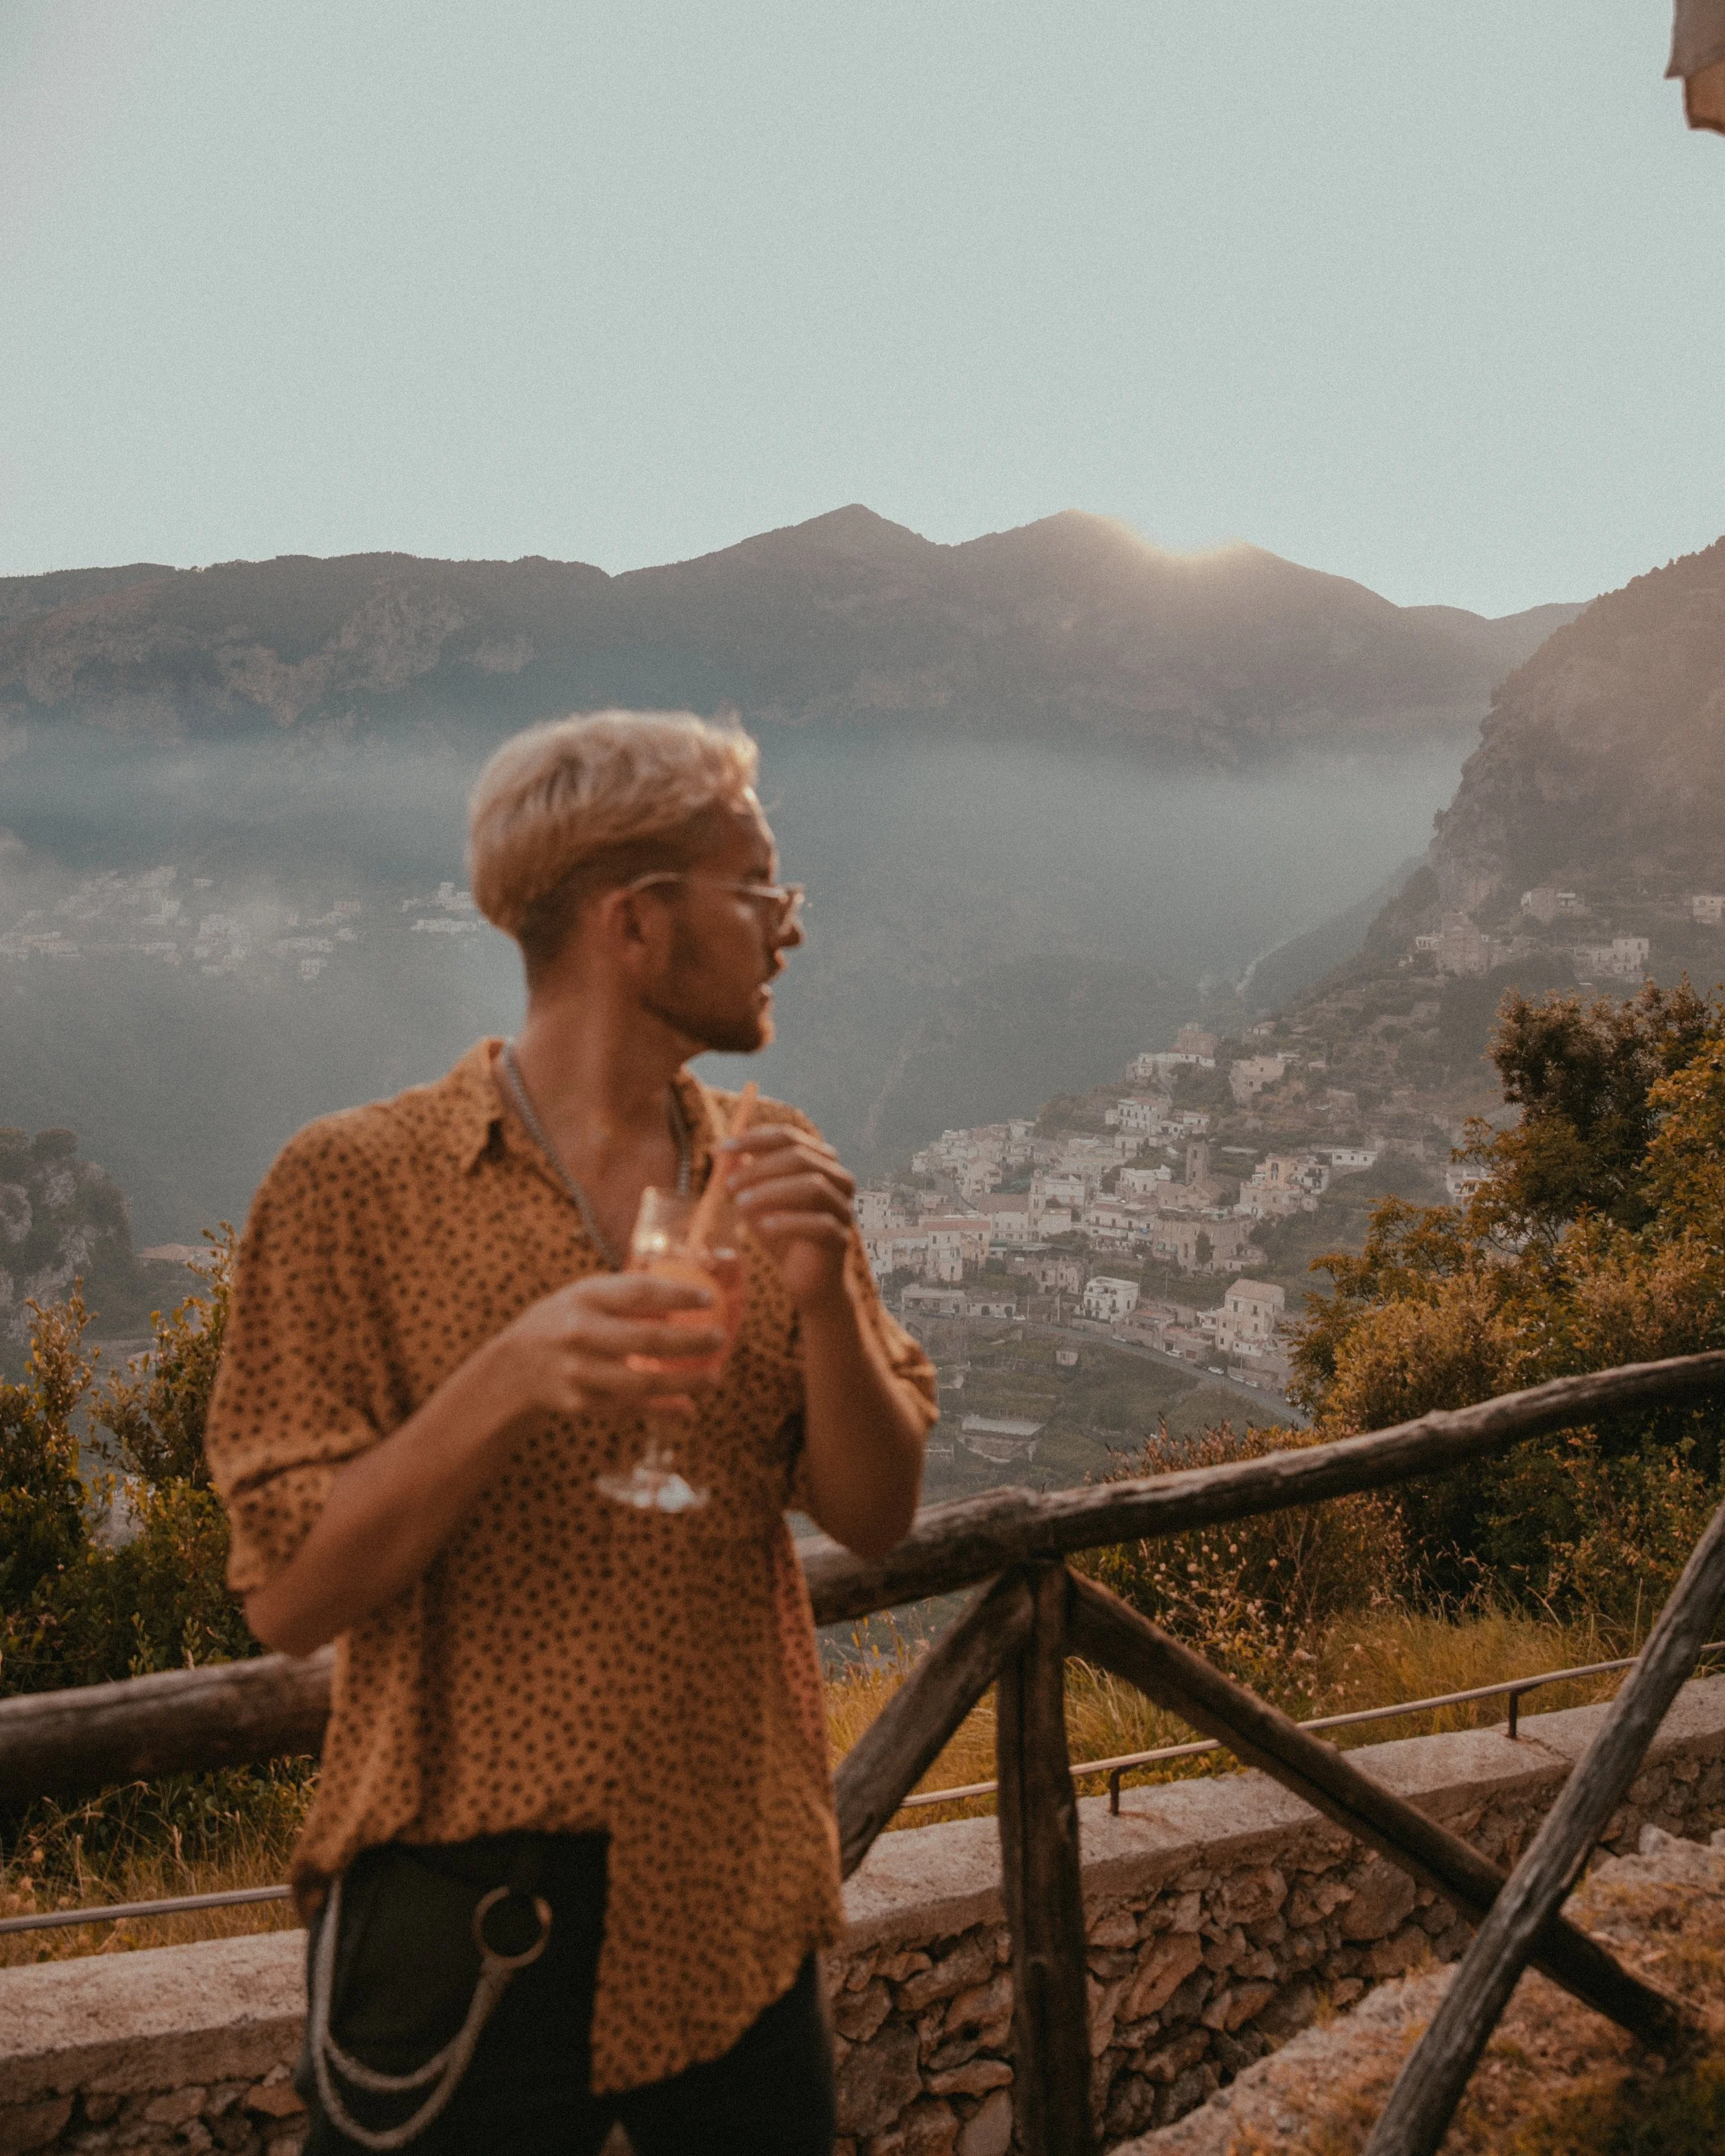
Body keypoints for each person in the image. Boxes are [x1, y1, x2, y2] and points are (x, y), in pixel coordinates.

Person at [204, 710, 936, 2155]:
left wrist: (826, 1299)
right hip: (466, 1926)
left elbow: (876, 1510)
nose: (788, 925)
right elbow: (289, 1591)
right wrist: (510, 1373)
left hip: (731, 1909)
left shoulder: (765, 1161)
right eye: (758, 884)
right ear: (636, 921)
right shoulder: (353, 1184)